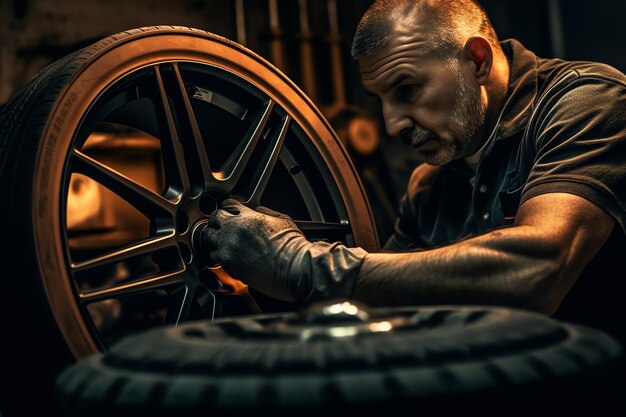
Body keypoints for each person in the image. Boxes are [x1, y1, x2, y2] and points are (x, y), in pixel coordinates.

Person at [204, 0, 626, 345]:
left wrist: (304, 266)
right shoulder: (429, 184)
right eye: (380, 99)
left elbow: (540, 269)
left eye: (407, 90)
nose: (392, 125)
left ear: (477, 61)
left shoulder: (587, 103)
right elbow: (382, 307)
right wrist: (250, 286)